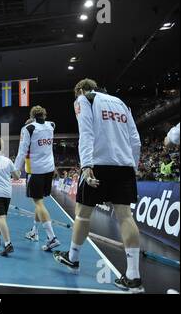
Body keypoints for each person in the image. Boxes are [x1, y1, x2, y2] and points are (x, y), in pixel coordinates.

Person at [53, 78, 144, 293]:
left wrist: (86, 166)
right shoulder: (121, 103)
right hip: (124, 165)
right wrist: (134, 165)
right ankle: (133, 276)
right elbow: (135, 140)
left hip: (97, 164)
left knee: (83, 215)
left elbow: (86, 132)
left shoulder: (84, 99)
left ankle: (73, 258)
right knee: (125, 216)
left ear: (82, 90)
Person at [15, 105, 60, 252]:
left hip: (35, 170)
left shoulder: (28, 129)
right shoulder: (51, 125)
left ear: (32, 116)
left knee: (38, 203)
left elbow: (22, 151)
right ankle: (34, 231)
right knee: (39, 201)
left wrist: (16, 169)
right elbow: (48, 122)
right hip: (49, 169)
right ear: (44, 115)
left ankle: (52, 237)